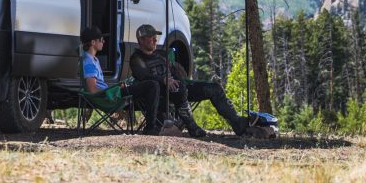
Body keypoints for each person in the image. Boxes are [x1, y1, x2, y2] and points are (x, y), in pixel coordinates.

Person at [130, 24, 271, 138]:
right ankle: (192, 127)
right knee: (178, 89)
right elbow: (144, 77)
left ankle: (238, 123)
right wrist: (164, 80)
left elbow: (176, 72)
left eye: (155, 37)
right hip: (160, 93)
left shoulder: (161, 55)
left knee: (214, 88)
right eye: (151, 38)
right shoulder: (137, 58)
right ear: (141, 40)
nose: (155, 40)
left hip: (178, 87)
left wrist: (178, 77)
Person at [80, 26, 161, 135]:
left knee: (145, 85)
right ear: (93, 42)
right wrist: (114, 89)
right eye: (101, 39)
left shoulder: (93, 59)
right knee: (152, 85)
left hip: (111, 94)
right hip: (109, 98)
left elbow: (98, 86)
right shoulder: (89, 62)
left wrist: (116, 87)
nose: (104, 42)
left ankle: (153, 125)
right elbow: (93, 90)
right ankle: (151, 128)